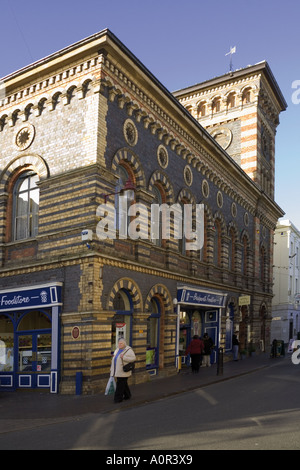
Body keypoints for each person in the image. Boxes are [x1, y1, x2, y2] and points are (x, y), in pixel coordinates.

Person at [110, 338, 136, 403]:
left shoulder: (128, 350)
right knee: (123, 384)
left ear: (124, 343)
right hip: (117, 371)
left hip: (123, 371)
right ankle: (127, 395)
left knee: (120, 385)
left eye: (121, 343)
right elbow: (114, 360)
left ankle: (118, 399)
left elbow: (133, 358)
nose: (119, 344)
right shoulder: (117, 350)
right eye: (119, 343)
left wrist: (124, 357)